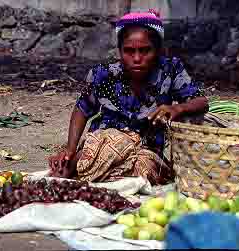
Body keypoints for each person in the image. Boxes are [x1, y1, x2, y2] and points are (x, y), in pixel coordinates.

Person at [48, 10, 208, 185]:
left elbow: (201, 101)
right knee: (99, 150)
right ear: (119, 50)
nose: (137, 58)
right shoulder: (103, 73)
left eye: (145, 50)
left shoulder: (170, 70)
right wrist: (70, 148)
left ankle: (89, 171)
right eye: (129, 51)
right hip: (102, 144)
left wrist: (177, 108)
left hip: (145, 149)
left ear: (159, 50)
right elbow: (82, 109)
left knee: (145, 171)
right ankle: (78, 163)